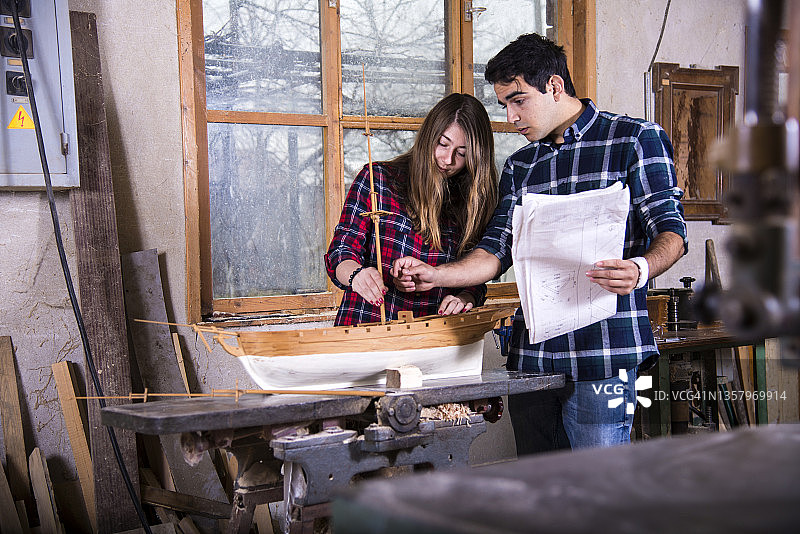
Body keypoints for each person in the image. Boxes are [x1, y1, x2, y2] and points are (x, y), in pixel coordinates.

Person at [390, 33, 687, 453]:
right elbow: (494, 252)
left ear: (554, 86)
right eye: (504, 104)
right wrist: (435, 274)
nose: (510, 117)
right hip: (534, 359)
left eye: (518, 100)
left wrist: (639, 269)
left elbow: (672, 231)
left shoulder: (634, 139)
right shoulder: (520, 166)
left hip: (604, 353)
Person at [325, 93, 498, 326]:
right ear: (429, 136)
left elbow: (476, 277)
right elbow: (341, 251)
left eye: (462, 153)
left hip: (435, 333)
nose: (447, 159)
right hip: (365, 326)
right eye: (443, 144)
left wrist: (464, 298)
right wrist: (357, 276)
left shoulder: (473, 202)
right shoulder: (377, 179)